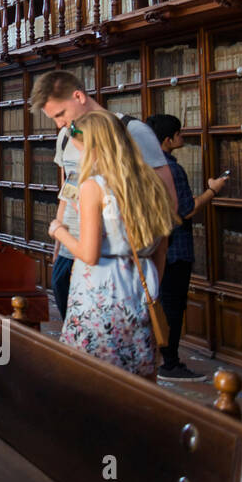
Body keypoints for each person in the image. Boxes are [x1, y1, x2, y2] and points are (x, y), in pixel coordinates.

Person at [30, 69, 177, 320]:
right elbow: (67, 194)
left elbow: (166, 203)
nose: (59, 124)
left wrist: (153, 276)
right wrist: (58, 250)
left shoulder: (134, 131)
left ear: (78, 96)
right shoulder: (67, 137)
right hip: (70, 253)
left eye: (60, 114)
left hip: (120, 264)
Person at [47, 110, 177, 378]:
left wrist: (59, 231)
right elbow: (162, 248)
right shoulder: (149, 182)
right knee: (137, 376)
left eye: (81, 150)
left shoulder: (94, 186)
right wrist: (149, 288)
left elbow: (89, 254)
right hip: (141, 288)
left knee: (93, 375)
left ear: (95, 147)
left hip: (101, 292)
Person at [146, 113, 228, 382]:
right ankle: (170, 363)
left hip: (152, 247)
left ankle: (158, 356)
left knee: (160, 303)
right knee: (173, 306)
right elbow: (187, 210)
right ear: (168, 140)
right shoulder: (171, 168)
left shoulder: (145, 166)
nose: (183, 138)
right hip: (176, 249)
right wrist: (213, 190)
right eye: (179, 134)